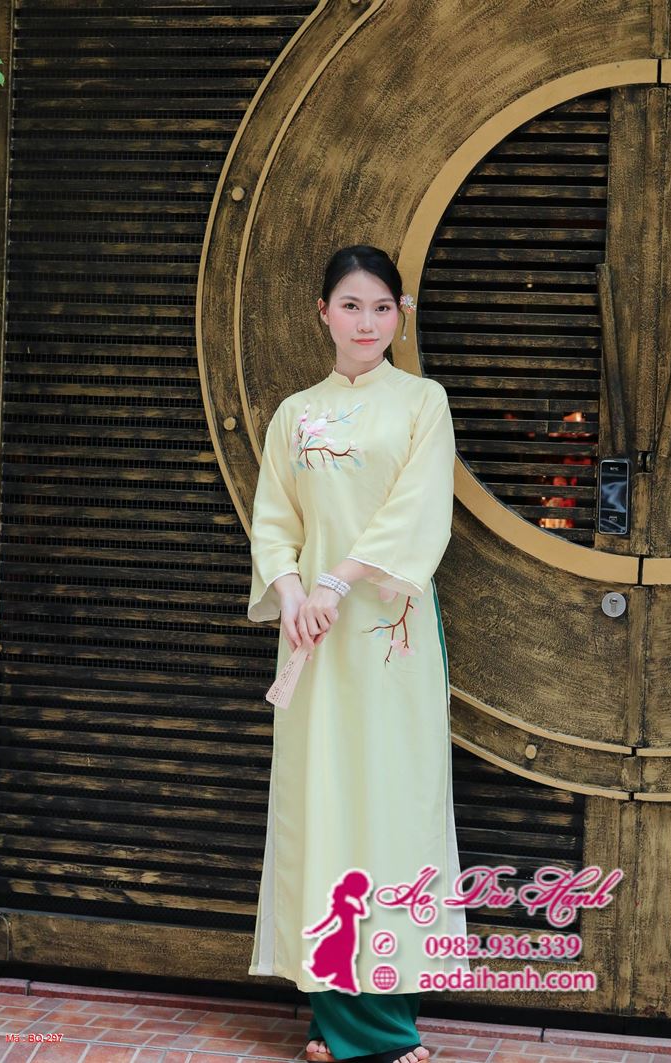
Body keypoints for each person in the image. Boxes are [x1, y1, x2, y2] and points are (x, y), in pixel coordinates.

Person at [246, 245, 470, 1063]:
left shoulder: (422, 402)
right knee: (321, 806)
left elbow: (416, 513)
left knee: (391, 807)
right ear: (324, 313)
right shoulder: (294, 413)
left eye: (381, 307)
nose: (366, 322)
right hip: (313, 637)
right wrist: (292, 593)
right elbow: (275, 517)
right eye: (350, 305)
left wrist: (336, 582)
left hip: (387, 637)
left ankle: (382, 1023)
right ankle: (333, 1013)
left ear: (400, 314)